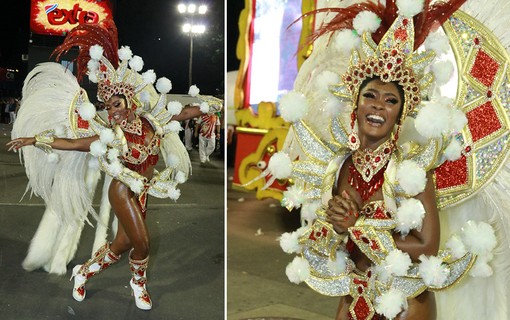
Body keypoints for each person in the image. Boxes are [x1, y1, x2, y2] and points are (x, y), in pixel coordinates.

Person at [270, 1, 510, 319]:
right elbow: (331, 243)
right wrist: (332, 227)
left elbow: (426, 247)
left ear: (401, 113)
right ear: (354, 104)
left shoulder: (410, 171)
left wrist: (357, 226)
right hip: (355, 296)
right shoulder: (340, 166)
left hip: (405, 302)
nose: (378, 106)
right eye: (370, 95)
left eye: (390, 99)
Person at [6, 20, 220, 311]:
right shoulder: (111, 136)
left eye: (116, 105)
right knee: (142, 243)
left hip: (143, 191)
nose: (112, 112)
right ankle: (138, 286)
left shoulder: (151, 122)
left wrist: (213, 105)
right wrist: (34, 139)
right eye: (108, 107)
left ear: (129, 102)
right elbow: (71, 144)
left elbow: (182, 114)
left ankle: (83, 273)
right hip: (122, 190)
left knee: (121, 245)